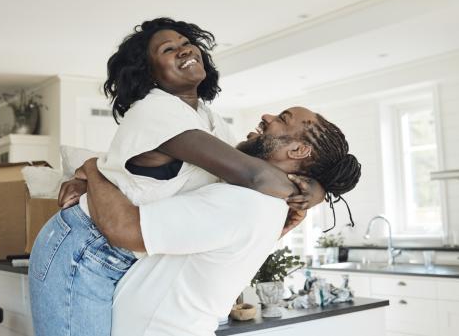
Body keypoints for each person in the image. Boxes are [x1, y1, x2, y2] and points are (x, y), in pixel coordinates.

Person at [29, 18, 332, 336]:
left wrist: (314, 187)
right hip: (85, 248)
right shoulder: (155, 111)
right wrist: (311, 189)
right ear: (149, 73)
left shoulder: (206, 118)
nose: (184, 49)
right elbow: (255, 175)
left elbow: (248, 169)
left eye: (186, 43)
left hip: (122, 253)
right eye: (168, 49)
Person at [65, 106, 361, 336]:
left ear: (297, 151)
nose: (267, 116)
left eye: (283, 118)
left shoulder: (242, 204)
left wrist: (93, 170)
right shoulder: (262, 200)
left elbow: (123, 229)